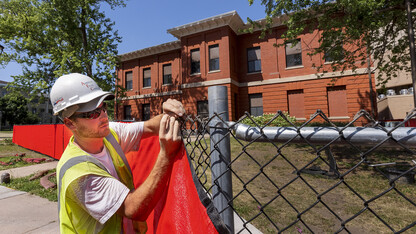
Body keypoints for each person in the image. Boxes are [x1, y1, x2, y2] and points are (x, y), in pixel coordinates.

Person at [50, 73, 185, 233]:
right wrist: (166, 155)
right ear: (70, 123)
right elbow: (133, 209)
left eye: (103, 107)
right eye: (92, 113)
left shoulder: (108, 133)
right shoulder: (79, 174)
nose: (103, 116)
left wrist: (170, 114)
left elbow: (148, 126)